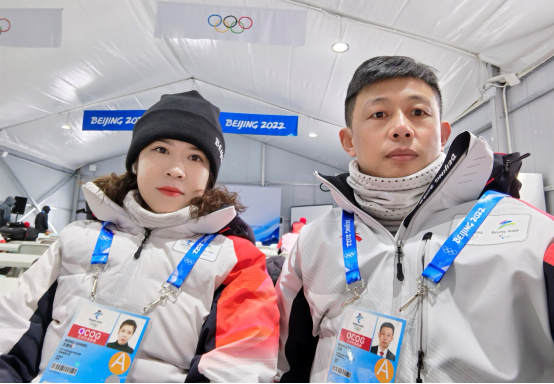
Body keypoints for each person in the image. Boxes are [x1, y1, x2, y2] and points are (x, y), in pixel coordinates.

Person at [276, 56, 554, 382]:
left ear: (443, 134)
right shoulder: (315, 241)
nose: (401, 128)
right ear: (349, 141)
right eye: (379, 114)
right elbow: (288, 362)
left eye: (418, 113)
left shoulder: (536, 234)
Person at [0, 91, 279, 383]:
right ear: (135, 162)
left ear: (209, 177)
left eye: (195, 156)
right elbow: (12, 331)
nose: (175, 169)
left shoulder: (237, 260)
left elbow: (241, 365)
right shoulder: (75, 238)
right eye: (161, 149)